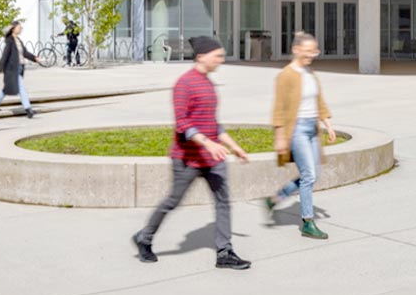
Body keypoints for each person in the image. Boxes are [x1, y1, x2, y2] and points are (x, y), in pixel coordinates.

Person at [132, 35, 252, 270]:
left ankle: (225, 252)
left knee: (223, 202)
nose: (221, 60)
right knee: (173, 201)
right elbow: (182, 123)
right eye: (217, 56)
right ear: (201, 56)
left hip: (213, 158)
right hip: (187, 158)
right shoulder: (184, 84)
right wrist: (208, 144)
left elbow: (212, 122)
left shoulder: (208, 83)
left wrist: (233, 146)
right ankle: (144, 237)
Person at [265, 33, 331, 239]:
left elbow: (319, 101)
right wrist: (280, 137)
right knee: (309, 175)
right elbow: (279, 108)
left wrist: (328, 124)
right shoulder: (285, 75)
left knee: (313, 174)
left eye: (314, 51)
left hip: (313, 128)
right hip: (297, 130)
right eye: (308, 50)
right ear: (296, 49)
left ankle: (276, 198)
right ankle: (307, 222)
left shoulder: (310, 72)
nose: (312, 54)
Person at [0, 20, 39, 118]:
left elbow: (25, 53)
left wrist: (34, 58)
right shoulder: (10, 41)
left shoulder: (18, 40)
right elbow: (5, 55)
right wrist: (0, 69)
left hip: (20, 67)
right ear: (13, 28)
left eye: (21, 28)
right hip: (12, 69)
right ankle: (28, 109)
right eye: (19, 27)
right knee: (21, 87)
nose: (21, 29)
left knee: (8, 88)